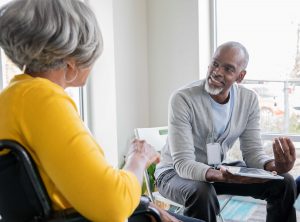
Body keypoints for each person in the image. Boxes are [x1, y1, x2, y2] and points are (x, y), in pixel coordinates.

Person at [0, 1, 204, 222]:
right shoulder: (43, 100)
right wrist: (138, 158)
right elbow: (112, 205)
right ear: (70, 61)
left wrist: (147, 206)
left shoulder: (14, 97)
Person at [154, 41, 297, 222]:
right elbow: (183, 163)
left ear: (240, 76)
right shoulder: (183, 99)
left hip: (217, 171)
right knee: (201, 192)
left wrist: (276, 167)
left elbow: (253, 154)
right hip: (173, 174)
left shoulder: (248, 100)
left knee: (284, 182)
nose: (217, 72)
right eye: (215, 63)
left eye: (228, 69)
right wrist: (222, 175)